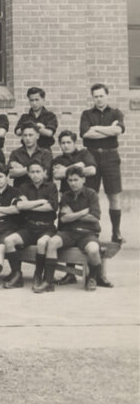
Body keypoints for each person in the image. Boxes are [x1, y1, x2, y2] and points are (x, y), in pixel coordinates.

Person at [50, 167, 113, 291]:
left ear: (83, 179)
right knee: (52, 242)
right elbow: (63, 219)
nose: (73, 183)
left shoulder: (91, 194)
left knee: (94, 249)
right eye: (70, 180)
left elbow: (95, 217)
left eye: (76, 180)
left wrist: (72, 214)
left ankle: (93, 277)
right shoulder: (65, 196)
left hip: (87, 233)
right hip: (68, 233)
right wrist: (83, 212)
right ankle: (48, 280)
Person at [79, 83, 126, 244]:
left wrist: (97, 128)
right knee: (91, 195)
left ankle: (116, 232)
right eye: (96, 96)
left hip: (111, 157)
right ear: (92, 97)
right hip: (91, 157)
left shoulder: (116, 113)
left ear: (107, 95)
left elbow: (118, 131)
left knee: (114, 195)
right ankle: (92, 232)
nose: (99, 99)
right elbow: (85, 134)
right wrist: (108, 130)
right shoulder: (86, 114)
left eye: (101, 96)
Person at [5, 161, 58, 291]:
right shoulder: (24, 187)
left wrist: (29, 205)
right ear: (28, 173)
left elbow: (51, 207)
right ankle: (17, 275)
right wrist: (40, 202)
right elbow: (20, 206)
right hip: (29, 228)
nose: (35, 175)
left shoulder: (51, 187)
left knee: (41, 243)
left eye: (38, 171)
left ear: (44, 173)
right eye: (32, 172)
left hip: (46, 227)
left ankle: (38, 275)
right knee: (9, 241)